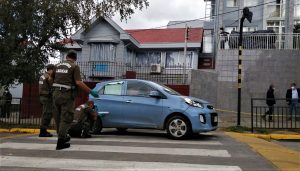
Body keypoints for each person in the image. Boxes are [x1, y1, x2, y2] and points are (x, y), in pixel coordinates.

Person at [52, 50, 99, 150]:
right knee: (66, 118)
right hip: (67, 95)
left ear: (67, 57)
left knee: (57, 117)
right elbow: (78, 82)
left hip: (55, 94)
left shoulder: (57, 65)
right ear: (75, 59)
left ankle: (62, 136)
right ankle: (61, 142)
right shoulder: (74, 66)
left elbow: (49, 79)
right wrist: (90, 91)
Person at [38, 64, 55, 137]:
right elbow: (53, 86)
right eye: (54, 70)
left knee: (45, 113)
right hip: (47, 97)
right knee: (47, 114)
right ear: (51, 69)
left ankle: (43, 130)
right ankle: (43, 131)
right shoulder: (48, 77)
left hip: (42, 96)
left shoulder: (43, 76)